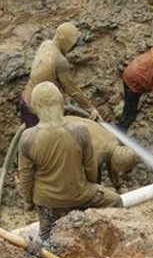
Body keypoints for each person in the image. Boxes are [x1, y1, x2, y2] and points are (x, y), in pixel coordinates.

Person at [17, 81, 122, 241]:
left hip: (46, 200)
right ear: (60, 102)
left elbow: (26, 177)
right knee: (115, 201)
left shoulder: (27, 138)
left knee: (47, 235)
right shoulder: (79, 130)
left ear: (35, 106)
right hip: (79, 194)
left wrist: (28, 204)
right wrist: (91, 186)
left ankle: (47, 250)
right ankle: (106, 241)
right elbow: (90, 168)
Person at [19, 22, 105, 128]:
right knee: (44, 142)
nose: (73, 49)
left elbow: (46, 75)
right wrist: (90, 109)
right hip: (36, 110)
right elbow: (73, 90)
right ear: (66, 42)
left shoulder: (46, 44)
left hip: (25, 99)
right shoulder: (60, 61)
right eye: (73, 45)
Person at [64, 116, 138, 191]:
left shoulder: (113, 141)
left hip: (72, 122)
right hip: (63, 134)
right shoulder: (98, 155)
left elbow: (111, 166)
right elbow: (91, 178)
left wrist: (118, 186)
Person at [118, 45, 153, 131]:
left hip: (133, 69)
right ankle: (118, 137)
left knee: (129, 110)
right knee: (129, 115)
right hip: (135, 80)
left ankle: (120, 130)